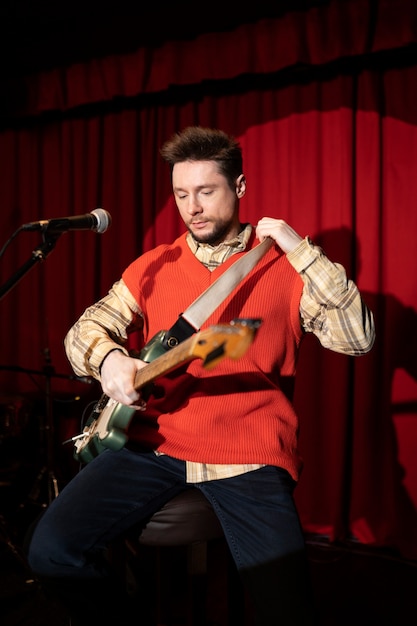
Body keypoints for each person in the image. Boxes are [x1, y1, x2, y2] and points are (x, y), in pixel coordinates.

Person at [27, 126, 375, 626]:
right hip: (154, 447)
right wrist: (108, 360)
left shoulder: (289, 267)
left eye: (206, 192)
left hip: (248, 454)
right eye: (181, 194)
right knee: (50, 552)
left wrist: (299, 248)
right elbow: (86, 329)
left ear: (239, 187)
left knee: (289, 611)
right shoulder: (154, 265)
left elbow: (357, 338)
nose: (192, 207)